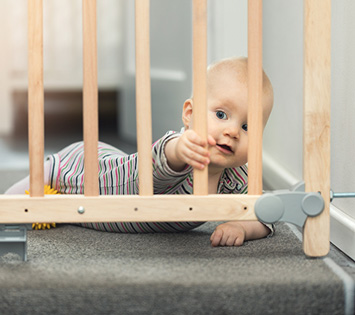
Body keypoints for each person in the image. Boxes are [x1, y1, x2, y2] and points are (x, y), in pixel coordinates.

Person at [6, 56, 274, 247]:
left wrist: (242, 227)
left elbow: (265, 216)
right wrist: (181, 150)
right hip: (83, 166)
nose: (233, 131)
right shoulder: (179, 148)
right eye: (221, 114)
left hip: (105, 196)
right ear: (189, 114)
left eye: (247, 125)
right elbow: (160, 164)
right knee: (17, 201)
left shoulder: (236, 178)